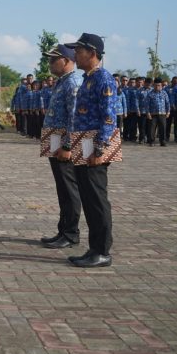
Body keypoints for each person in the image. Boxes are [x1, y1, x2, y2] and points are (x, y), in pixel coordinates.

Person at [63, 33, 116, 268]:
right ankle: (94, 248)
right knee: (87, 197)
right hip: (83, 142)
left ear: (92, 53)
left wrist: (101, 149)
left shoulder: (104, 79)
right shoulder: (88, 78)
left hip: (95, 145)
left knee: (96, 199)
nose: (75, 54)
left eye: (79, 50)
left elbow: (108, 117)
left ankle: (102, 250)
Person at [40, 45, 82, 249]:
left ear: (65, 61)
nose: (49, 64)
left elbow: (74, 118)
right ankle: (63, 230)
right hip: (55, 140)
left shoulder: (72, 83)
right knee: (62, 189)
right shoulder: (61, 82)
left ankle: (71, 233)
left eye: (52, 60)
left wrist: (68, 146)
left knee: (69, 188)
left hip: (64, 144)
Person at [147, 77, 170, 147]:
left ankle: (162, 141)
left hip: (162, 114)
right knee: (152, 129)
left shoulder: (164, 93)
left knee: (163, 128)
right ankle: (151, 141)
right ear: (154, 85)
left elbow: (167, 103)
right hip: (153, 114)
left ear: (161, 86)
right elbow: (147, 104)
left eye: (159, 85)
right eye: (156, 85)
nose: (157, 87)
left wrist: (168, 112)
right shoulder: (150, 93)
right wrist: (148, 113)